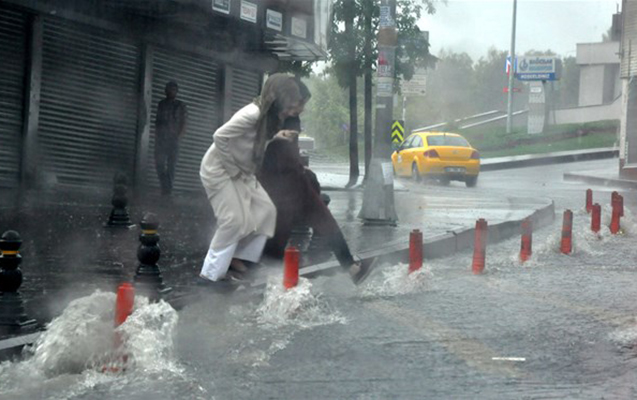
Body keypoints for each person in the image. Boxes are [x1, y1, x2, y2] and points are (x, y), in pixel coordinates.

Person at [198, 74, 304, 283]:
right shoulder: (252, 114)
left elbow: (254, 137)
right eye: (290, 106)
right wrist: (232, 170)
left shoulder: (267, 116)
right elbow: (219, 136)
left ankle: (236, 259)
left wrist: (277, 135)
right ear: (278, 101)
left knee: (266, 212)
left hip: (242, 171)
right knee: (233, 222)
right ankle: (209, 275)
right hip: (220, 170)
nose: (293, 111)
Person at [258, 134, 375, 285]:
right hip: (294, 195)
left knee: (277, 241)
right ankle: (351, 269)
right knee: (325, 226)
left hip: (287, 198)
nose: (299, 148)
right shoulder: (295, 173)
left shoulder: (271, 172)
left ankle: (268, 279)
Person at [154, 81, 188, 195]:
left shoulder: (180, 105)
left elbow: (184, 122)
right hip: (161, 139)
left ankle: (167, 190)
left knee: (171, 166)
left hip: (173, 139)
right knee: (159, 164)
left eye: (173, 89)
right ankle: (165, 186)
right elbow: (157, 121)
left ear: (176, 92)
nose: (170, 91)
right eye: (169, 89)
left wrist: (178, 137)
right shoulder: (161, 104)